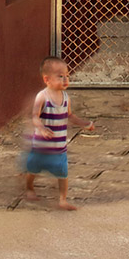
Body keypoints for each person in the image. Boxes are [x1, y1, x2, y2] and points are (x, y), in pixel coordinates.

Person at [23, 56, 95, 210]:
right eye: (60, 76)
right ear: (47, 79)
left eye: (67, 75)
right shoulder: (42, 96)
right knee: (33, 169)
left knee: (63, 173)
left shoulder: (66, 97)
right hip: (41, 147)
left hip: (59, 146)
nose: (65, 79)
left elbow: (69, 115)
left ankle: (63, 200)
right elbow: (35, 116)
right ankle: (29, 188)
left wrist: (84, 124)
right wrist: (41, 128)